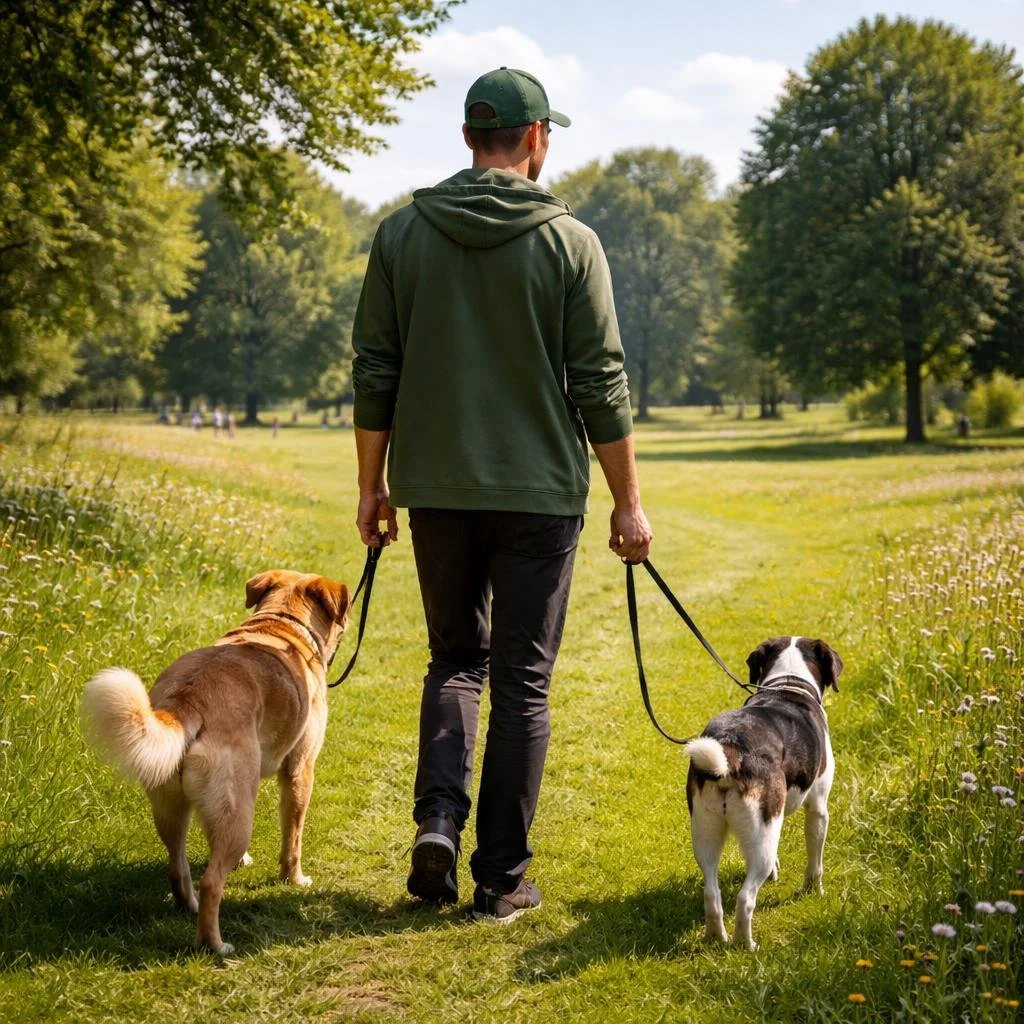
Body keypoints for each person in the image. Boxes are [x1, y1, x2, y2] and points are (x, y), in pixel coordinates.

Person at [351, 67, 652, 923]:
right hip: (539, 496)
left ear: (469, 138)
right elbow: (600, 379)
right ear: (535, 139)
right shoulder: (572, 243)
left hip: (436, 491)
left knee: (454, 661)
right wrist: (628, 502)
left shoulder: (401, 234)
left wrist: (372, 487)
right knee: (521, 682)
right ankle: (502, 880)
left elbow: (376, 367)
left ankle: (438, 825)